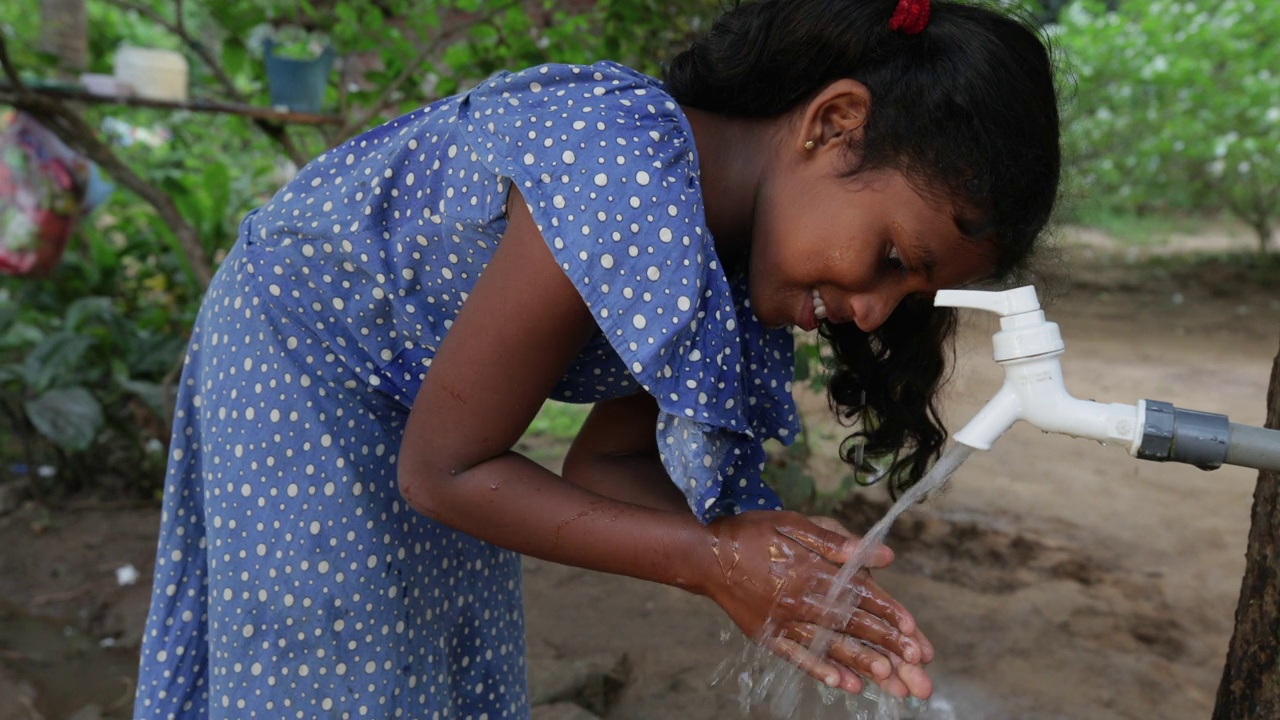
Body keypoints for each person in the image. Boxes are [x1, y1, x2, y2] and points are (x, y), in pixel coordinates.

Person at [133, 0, 1061, 716]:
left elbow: (606, 465)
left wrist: (759, 558)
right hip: (302, 351)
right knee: (337, 666)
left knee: (443, 654)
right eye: (892, 260)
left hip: (420, 405)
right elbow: (446, 469)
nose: (869, 312)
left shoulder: (735, 277)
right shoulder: (622, 168)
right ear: (833, 124)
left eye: (905, 299)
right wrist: (706, 561)